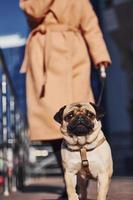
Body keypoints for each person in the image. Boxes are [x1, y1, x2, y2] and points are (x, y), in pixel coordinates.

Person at [19, 0, 111, 198]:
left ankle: (82, 176)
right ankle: (70, 181)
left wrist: (100, 56)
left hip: (74, 57)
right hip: (44, 55)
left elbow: (91, 26)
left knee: (80, 116)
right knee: (54, 124)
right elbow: (32, 11)